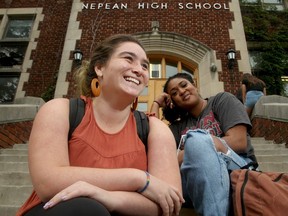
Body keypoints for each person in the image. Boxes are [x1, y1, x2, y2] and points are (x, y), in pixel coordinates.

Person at [17, 34, 184, 216]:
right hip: (59, 209)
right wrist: (137, 178)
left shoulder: (155, 129)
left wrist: (105, 196)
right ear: (99, 68)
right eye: (128, 59)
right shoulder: (60, 110)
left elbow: (170, 203)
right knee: (87, 209)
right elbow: (48, 183)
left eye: (144, 66)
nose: (139, 70)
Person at [150, 73, 257, 216]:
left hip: (237, 167)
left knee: (197, 140)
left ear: (194, 85)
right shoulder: (177, 127)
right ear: (173, 101)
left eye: (184, 85)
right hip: (194, 179)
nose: (181, 91)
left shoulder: (221, 100)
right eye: (174, 93)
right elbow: (159, 155)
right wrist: (156, 103)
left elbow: (239, 141)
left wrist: (192, 149)